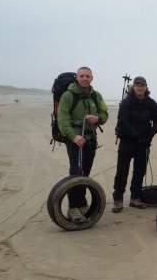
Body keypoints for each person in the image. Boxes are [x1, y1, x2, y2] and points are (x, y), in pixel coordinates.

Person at [57, 66, 108, 223]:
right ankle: (73, 208)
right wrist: (73, 137)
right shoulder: (68, 95)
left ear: (92, 78)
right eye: (82, 76)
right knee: (75, 172)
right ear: (77, 78)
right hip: (75, 140)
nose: (85, 78)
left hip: (91, 139)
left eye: (88, 76)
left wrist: (97, 119)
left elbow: (105, 115)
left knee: (85, 173)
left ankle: (82, 204)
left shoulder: (96, 95)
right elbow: (62, 119)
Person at [112, 76, 157, 213]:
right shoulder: (126, 102)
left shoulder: (151, 103)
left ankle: (135, 197)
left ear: (146, 87)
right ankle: (118, 199)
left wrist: (150, 136)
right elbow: (123, 121)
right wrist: (135, 135)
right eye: (137, 85)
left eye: (142, 85)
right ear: (133, 87)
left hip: (144, 144)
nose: (140, 88)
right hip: (127, 142)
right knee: (122, 171)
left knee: (140, 171)